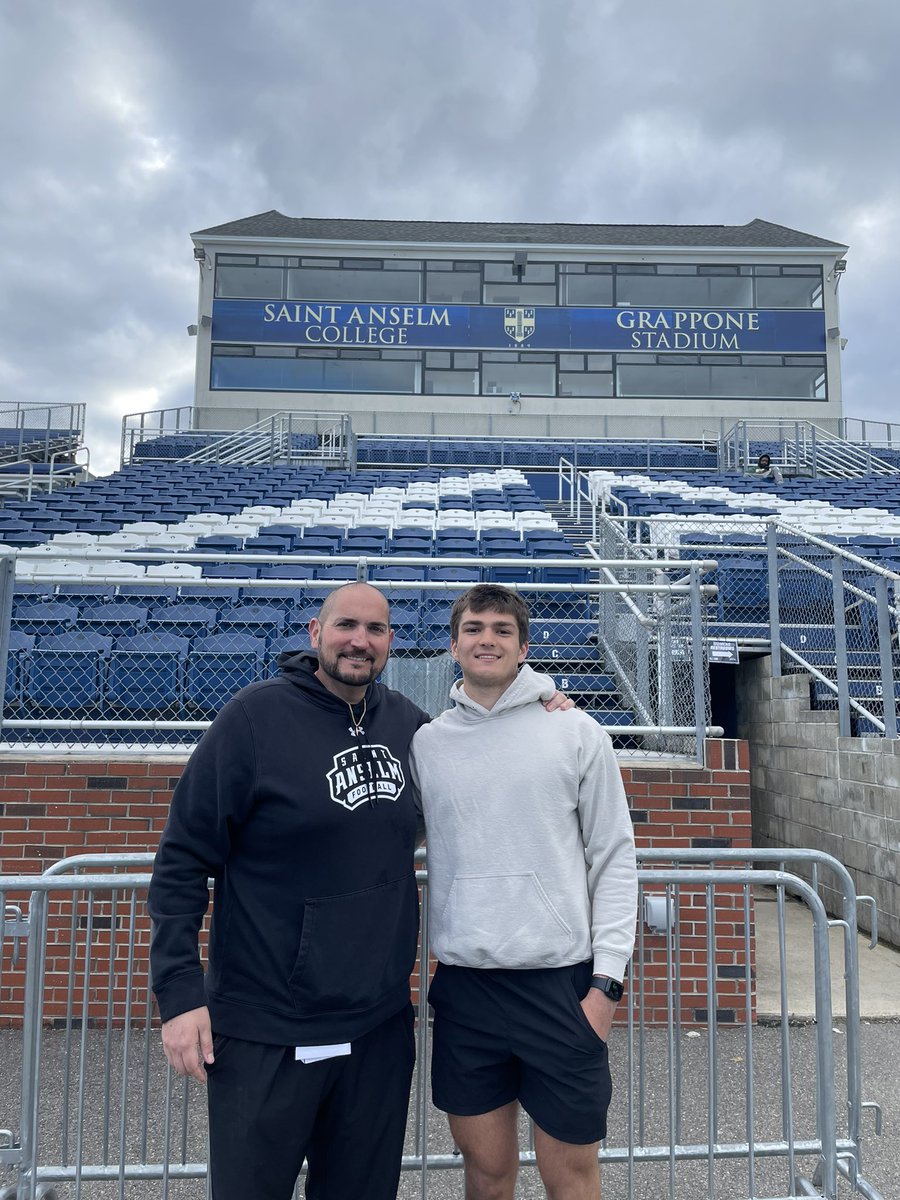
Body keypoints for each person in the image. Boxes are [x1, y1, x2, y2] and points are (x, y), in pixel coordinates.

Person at [148, 581, 571, 1200]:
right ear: (315, 633)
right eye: (346, 625)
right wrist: (180, 995)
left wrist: (537, 704)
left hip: (376, 1027)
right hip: (267, 1026)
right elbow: (183, 859)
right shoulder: (253, 719)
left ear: (390, 643)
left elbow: (478, 752)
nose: (360, 641)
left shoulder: (407, 725)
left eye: (375, 630)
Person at [411, 584, 638, 1200]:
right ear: (454, 644)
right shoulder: (428, 744)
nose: (488, 638)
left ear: (524, 646)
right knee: (486, 1171)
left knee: (570, 1173)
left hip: (561, 988)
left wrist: (607, 984)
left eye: (502, 630)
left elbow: (614, 857)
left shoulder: (576, 732)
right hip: (467, 988)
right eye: (475, 628)